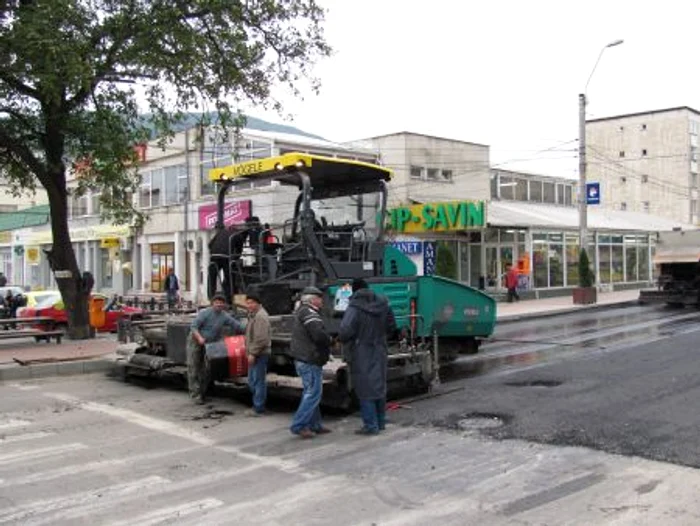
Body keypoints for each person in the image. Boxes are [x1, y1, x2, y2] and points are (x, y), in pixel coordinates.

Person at [339, 279, 397, 436]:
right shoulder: (383, 303)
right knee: (379, 386)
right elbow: (392, 326)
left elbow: (345, 331)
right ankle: (380, 422)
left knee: (365, 388)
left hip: (362, 350)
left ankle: (371, 425)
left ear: (354, 290)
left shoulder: (355, 307)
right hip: (380, 349)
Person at [288, 286, 332, 439]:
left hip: (305, 358)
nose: (322, 300)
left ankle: (315, 424)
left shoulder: (303, 311)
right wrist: (330, 340)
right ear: (313, 299)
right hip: (310, 359)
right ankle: (299, 425)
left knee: (311, 392)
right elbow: (319, 335)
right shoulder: (309, 313)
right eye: (319, 298)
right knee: (312, 394)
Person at [187, 293, 244, 405]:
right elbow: (193, 326)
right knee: (194, 367)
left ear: (224, 305)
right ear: (212, 303)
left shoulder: (224, 316)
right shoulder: (205, 313)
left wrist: (250, 329)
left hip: (209, 343)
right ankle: (195, 395)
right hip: (196, 341)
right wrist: (199, 338)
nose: (219, 305)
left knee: (207, 368)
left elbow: (236, 325)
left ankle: (203, 392)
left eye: (221, 303)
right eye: (217, 302)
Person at [244, 291, 271, 417]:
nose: (249, 305)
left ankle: (258, 407)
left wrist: (253, 353)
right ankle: (258, 405)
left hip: (259, 354)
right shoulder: (254, 315)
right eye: (247, 303)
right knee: (253, 381)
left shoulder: (260, 316)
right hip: (255, 352)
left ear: (258, 303)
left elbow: (261, 338)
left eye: (251, 303)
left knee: (257, 381)